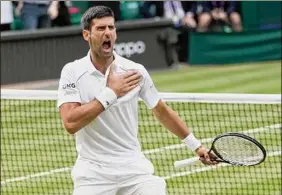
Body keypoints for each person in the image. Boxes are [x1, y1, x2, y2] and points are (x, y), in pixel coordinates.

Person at [57, 6, 217, 195]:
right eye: (101, 29)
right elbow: (70, 122)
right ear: (87, 35)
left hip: (134, 170)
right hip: (93, 174)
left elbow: (161, 111)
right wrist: (111, 93)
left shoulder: (135, 71)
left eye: (111, 27)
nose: (107, 33)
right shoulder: (72, 72)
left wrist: (197, 147)